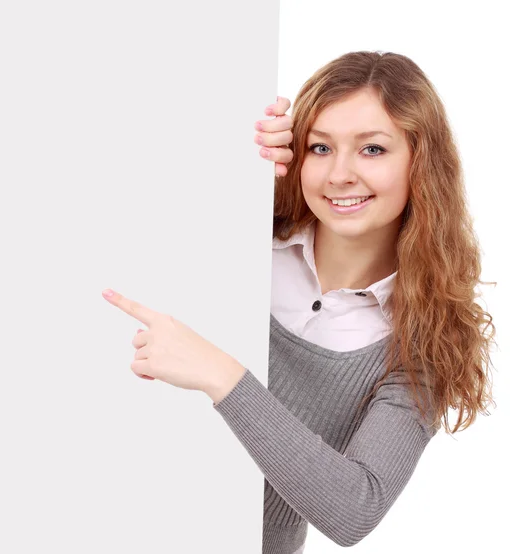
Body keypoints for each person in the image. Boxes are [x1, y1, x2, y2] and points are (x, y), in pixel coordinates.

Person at [106, 50, 497, 554]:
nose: (340, 174)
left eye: (372, 149)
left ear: (422, 163)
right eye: (319, 147)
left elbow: (355, 509)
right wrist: (228, 158)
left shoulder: (423, 344)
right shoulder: (243, 238)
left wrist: (221, 375)